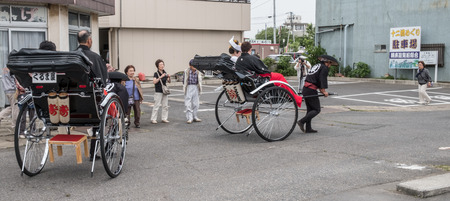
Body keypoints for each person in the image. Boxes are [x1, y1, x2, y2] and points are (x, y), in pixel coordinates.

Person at [235, 41, 303, 107]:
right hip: (258, 79)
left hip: (248, 80)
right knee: (280, 76)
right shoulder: (251, 58)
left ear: (241, 49)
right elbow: (263, 69)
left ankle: (288, 95)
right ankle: (291, 96)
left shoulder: (238, 60)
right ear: (250, 49)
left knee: (277, 76)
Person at [76, 30, 108, 161]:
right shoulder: (95, 57)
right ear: (89, 41)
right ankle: (94, 151)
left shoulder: (71, 56)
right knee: (99, 119)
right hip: (90, 101)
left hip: (70, 102)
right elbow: (103, 80)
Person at [297, 55, 337, 133]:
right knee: (316, 109)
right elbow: (322, 79)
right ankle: (302, 121)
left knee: (310, 110)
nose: (330, 65)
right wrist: (324, 91)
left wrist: (322, 90)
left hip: (306, 89)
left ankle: (308, 128)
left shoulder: (317, 65)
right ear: (327, 62)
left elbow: (315, 78)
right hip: (311, 89)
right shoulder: (324, 68)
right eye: (330, 63)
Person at [183, 59, 203, 124]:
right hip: (188, 86)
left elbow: (199, 80)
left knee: (196, 103)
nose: (194, 67)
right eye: (193, 65)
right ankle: (189, 118)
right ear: (190, 66)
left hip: (196, 87)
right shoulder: (186, 71)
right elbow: (184, 80)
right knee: (188, 103)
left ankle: (195, 116)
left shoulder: (198, 71)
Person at [151, 59, 171, 124]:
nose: (162, 66)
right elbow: (154, 82)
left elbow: (169, 81)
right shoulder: (156, 73)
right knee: (156, 105)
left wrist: (169, 77)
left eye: (163, 64)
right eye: (160, 64)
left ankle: (164, 118)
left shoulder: (165, 72)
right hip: (158, 91)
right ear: (157, 66)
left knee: (165, 105)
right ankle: (153, 119)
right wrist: (160, 77)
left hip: (164, 91)